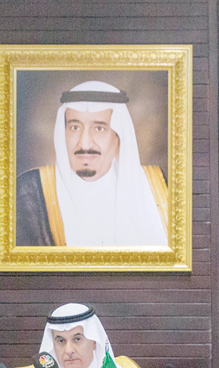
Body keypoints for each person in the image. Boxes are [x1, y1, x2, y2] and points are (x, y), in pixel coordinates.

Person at [16, 81, 169, 247]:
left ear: (118, 137)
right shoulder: (29, 192)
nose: (85, 143)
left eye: (99, 128)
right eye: (75, 127)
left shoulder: (157, 188)